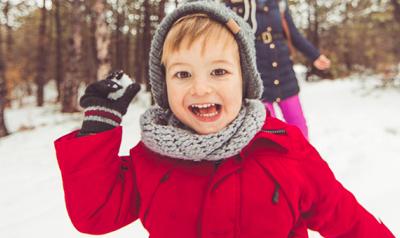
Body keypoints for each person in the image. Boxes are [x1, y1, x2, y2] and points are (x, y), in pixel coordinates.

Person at [54, 1, 394, 237]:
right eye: (183, 74)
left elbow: (349, 223)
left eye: (219, 71)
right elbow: (95, 214)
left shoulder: (285, 150)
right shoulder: (152, 157)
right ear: (164, 86)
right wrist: (99, 126)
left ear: (244, 80)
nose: (201, 88)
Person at [224, 0, 330, 140]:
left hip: (284, 71)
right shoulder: (231, 8)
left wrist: (315, 56)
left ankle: (302, 161)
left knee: (299, 128)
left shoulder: (278, 3)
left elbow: (294, 34)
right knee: (270, 132)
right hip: (257, 77)